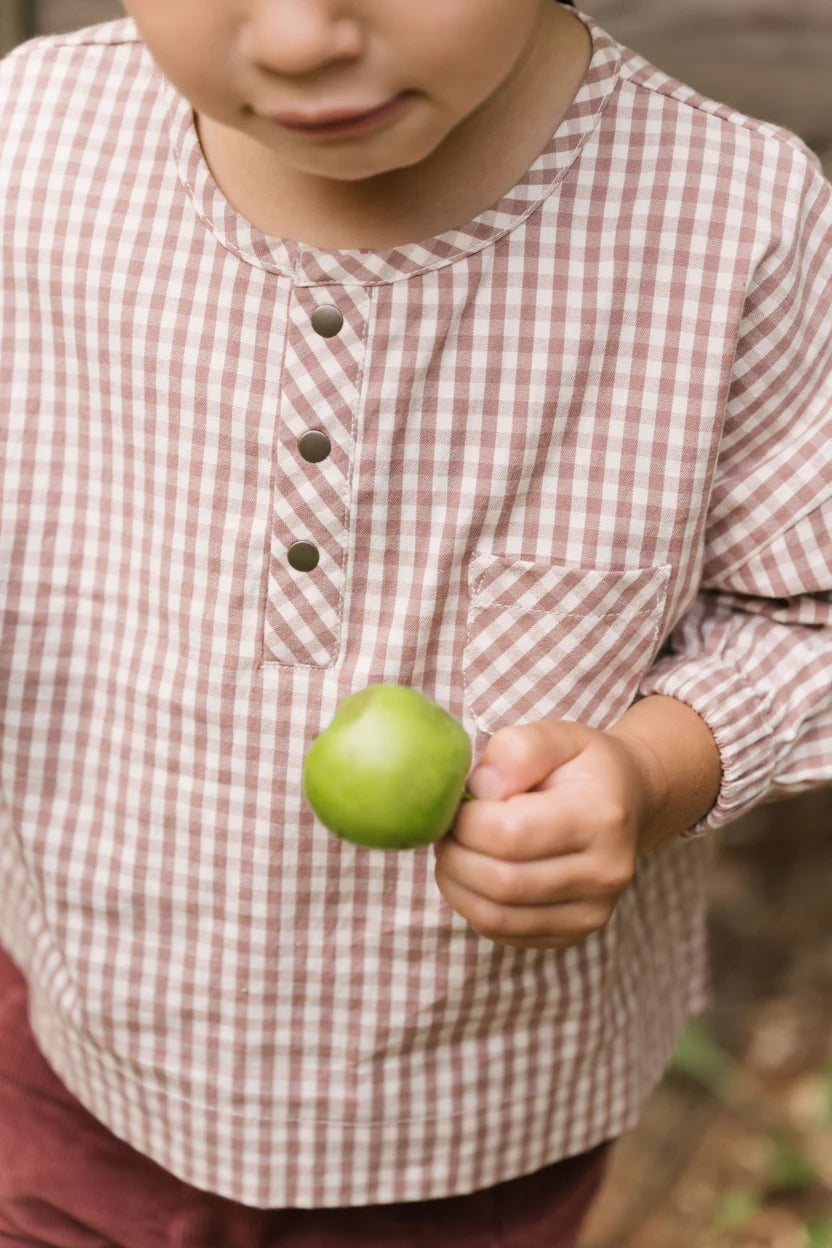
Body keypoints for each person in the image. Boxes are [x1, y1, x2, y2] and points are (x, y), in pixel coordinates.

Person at [0, 0, 830, 1244]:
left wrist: (650, 772)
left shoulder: (730, 221)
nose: (295, 37)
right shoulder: (31, 143)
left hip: (470, 1118)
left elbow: (808, 614)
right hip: (74, 1044)